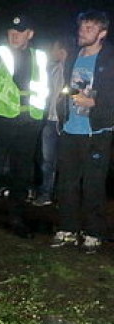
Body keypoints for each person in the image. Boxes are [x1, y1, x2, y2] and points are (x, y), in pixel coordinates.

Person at [0, 14, 50, 239]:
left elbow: (46, 89)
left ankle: (17, 219)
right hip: (0, 125)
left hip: (28, 127)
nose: (14, 35)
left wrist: (39, 119)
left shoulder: (40, 58)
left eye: (20, 31)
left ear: (30, 34)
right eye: (11, 31)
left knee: (21, 175)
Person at [52, 9, 114, 254]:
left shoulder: (110, 60)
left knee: (93, 185)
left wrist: (95, 104)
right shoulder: (73, 57)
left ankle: (94, 232)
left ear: (102, 33)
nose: (82, 31)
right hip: (70, 129)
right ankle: (67, 228)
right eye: (81, 27)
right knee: (66, 182)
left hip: (97, 133)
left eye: (89, 28)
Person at [34, 35, 74, 207]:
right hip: (49, 121)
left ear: (62, 50)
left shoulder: (74, 70)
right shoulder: (52, 69)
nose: (52, 52)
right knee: (47, 161)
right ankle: (46, 193)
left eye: (54, 48)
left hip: (66, 123)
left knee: (65, 162)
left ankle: (62, 197)